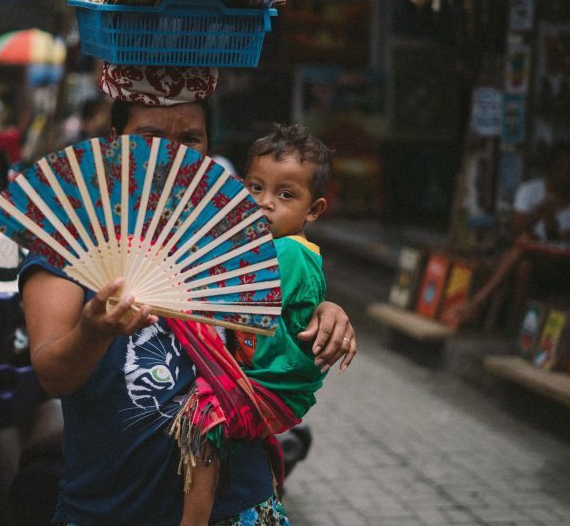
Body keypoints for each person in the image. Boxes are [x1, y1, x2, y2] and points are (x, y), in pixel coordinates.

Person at [18, 64, 356, 526]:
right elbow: (53, 374)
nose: (171, 155)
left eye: (190, 140)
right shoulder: (67, 238)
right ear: (116, 139)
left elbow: (284, 297)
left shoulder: (233, 230)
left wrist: (326, 309)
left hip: (238, 501)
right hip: (113, 506)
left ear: (208, 148)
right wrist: (94, 332)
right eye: (151, 135)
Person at [177, 123, 332, 526]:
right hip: (258, 373)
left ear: (313, 210)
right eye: (255, 188)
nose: (264, 203)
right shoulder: (264, 247)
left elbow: (233, 298)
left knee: (204, 421)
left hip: (270, 381)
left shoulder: (288, 253)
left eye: (285, 195)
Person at [447, 143, 570, 326]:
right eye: (559, 169)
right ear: (550, 168)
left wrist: (550, 225)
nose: (563, 176)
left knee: (525, 244)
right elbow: (515, 231)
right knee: (524, 262)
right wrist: (537, 214)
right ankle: (520, 326)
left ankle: (478, 301)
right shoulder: (530, 190)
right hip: (524, 258)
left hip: (558, 267)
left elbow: (564, 249)